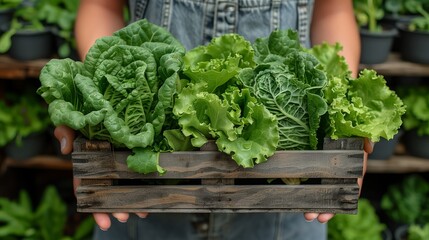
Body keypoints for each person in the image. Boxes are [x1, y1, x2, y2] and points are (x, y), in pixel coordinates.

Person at [55, 0, 373, 239]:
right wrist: (100, 106)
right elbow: (101, 5)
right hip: (143, 198)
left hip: (286, 204)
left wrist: (343, 124)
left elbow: (333, 12)